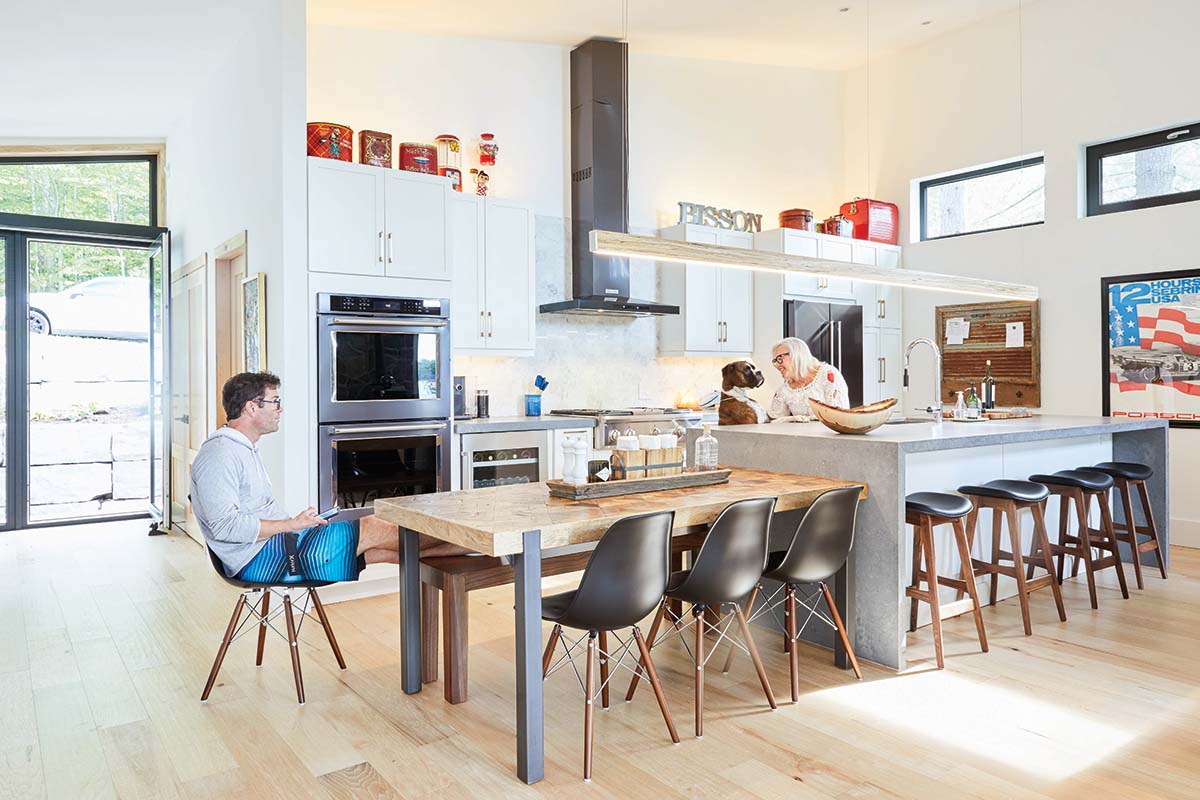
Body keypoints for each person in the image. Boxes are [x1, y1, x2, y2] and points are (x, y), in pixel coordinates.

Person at [191, 371, 402, 582]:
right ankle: (436, 536)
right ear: (251, 407)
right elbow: (225, 527)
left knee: (384, 551)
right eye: (275, 401)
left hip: (277, 546)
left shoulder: (244, 448)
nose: (280, 408)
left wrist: (297, 525)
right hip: (260, 560)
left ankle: (436, 557)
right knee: (371, 525)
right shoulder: (220, 453)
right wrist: (293, 524)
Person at [767, 337, 850, 420]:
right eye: (774, 361)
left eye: (779, 358)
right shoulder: (784, 390)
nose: (776, 365)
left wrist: (797, 419)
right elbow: (774, 419)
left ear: (796, 354)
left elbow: (841, 415)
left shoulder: (828, 375)